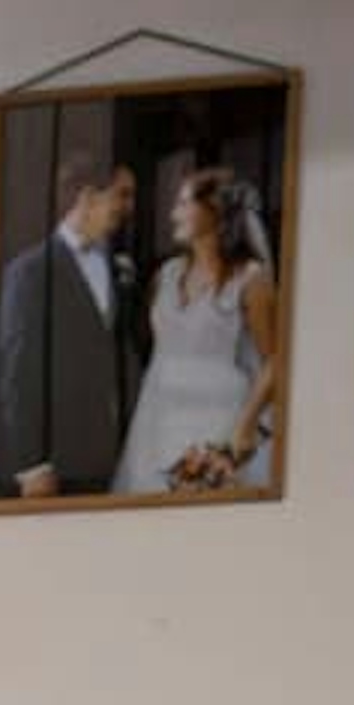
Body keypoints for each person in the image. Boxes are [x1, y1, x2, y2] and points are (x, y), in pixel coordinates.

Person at [114, 166, 283, 495]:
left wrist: (244, 428)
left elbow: (275, 360)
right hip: (159, 417)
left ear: (213, 210)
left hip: (220, 419)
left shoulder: (250, 279)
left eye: (182, 203)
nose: (173, 214)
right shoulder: (166, 275)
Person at [0, 148, 147, 498]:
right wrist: (32, 466)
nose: (129, 207)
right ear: (88, 197)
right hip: (61, 464)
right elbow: (16, 374)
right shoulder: (29, 272)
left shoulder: (120, 269)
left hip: (119, 456)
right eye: (122, 195)